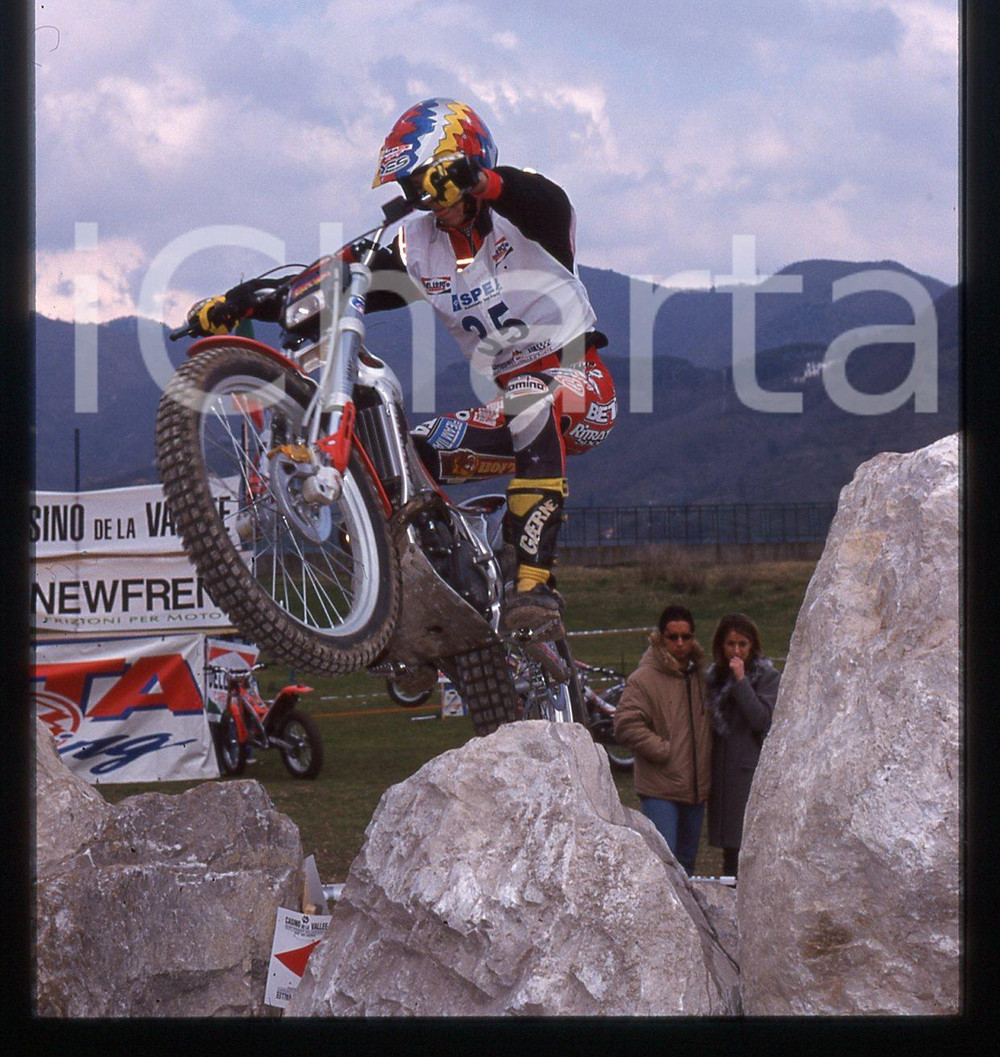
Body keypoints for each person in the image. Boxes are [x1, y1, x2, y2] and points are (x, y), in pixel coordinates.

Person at [190, 98, 617, 637]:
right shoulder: (419, 246)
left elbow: (535, 196)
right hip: (508, 408)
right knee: (402, 459)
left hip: (582, 388)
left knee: (532, 394)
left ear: (467, 160)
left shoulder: (529, 210)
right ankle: (432, 592)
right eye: (412, 187)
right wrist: (242, 303)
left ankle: (534, 586)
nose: (425, 198)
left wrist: (475, 180)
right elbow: (333, 278)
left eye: (430, 180)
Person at [612, 604, 712, 876]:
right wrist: (662, 750)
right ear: (660, 637)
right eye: (673, 637)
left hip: (695, 790)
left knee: (687, 866)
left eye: (686, 636)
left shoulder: (701, 677)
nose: (680, 643)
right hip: (660, 789)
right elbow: (625, 724)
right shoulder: (644, 678)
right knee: (664, 865)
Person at [704, 613, 780, 879]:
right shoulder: (712, 678)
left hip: (748, 773)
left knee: (747, 847)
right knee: (729, 852)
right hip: (721, 776)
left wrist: (741, 682)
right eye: (730, 644)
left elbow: (761, 719)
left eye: (742, 644)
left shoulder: (767, 677)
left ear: (752, 646)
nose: (736, 651)